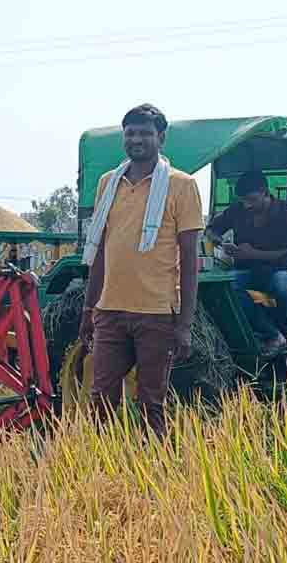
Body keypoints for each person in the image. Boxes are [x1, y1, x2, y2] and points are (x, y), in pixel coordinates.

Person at [79, 104, 203, 436]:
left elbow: (190, 258)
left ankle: (153, 473)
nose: (137, 139)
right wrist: (89, 309)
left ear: (161, 138)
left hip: (156, 314)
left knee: (151, 403)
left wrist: (185, 325)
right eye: (130, 133)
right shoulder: (109, 183)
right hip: (110, 311)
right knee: (101, 400)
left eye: (145, 133)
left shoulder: (182, 186)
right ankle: (102, 471)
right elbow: (102, 250)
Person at [205, 170, 287, 358]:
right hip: (245, 270)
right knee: (226, 288)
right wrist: (221, 243)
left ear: (265, 193)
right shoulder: (238, 210)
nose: (246, 205)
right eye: (243, 200)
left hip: (277, 269)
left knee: (283, 285)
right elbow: (211, 229)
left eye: (251, 199)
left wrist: (254, 253)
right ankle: (271, 334)